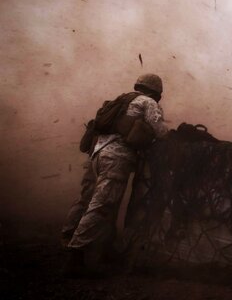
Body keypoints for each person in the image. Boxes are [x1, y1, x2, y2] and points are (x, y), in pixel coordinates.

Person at [62, 73, 169, 276]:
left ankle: (71, 238)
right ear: (156, 92)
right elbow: (160, 130)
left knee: (86, 201)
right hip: (116, 158)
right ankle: (75, 255)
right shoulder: (148, 102)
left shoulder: (120, 100)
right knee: (102, 206)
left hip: (96, 154)